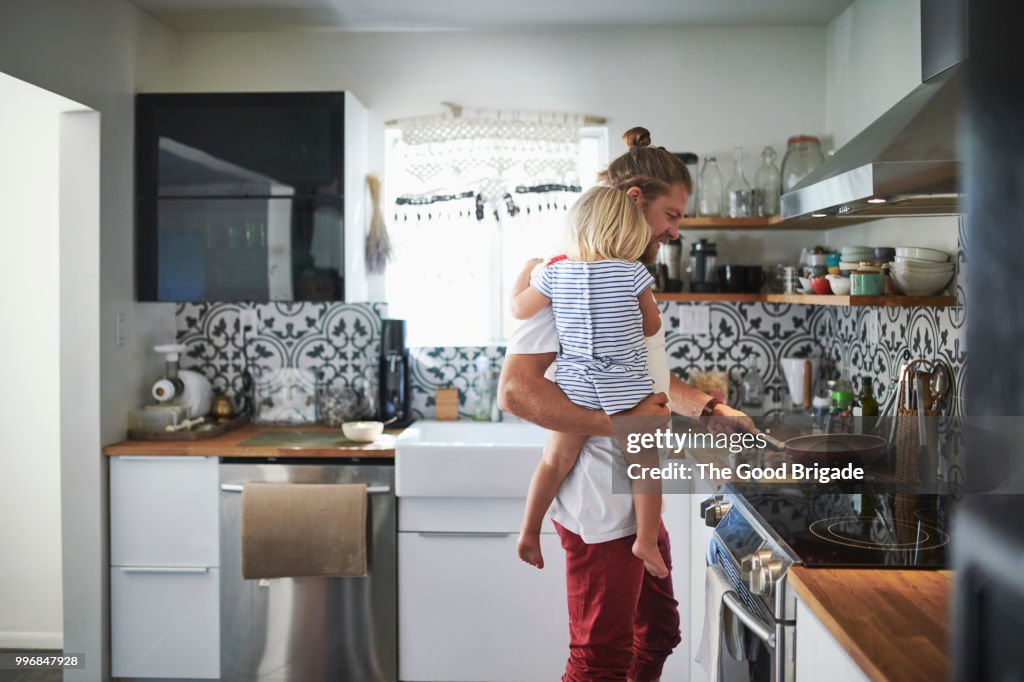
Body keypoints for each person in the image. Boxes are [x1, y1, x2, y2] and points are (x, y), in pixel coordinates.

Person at [498, 126, 755, 682]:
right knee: (599, 661)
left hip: (638, 501)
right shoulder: (565, 276)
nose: (675, 229)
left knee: (659, 634)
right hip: (598, 504)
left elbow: (645, 374)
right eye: (673, 214)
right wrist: (620, 424)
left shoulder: (625, 274)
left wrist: (710, 409)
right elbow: (516, 392)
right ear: (635, 202)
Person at [510, 185, 669, 579]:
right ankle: (646, 539)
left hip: (577, 387)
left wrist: (525, 273)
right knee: (644, 465)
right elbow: (652, 325)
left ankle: (530, 530)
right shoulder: (634, 272)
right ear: (629, 232)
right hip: (628, 390)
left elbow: (517, 309)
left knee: (553, 461)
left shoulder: (554, 273)